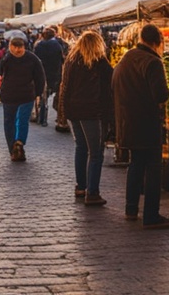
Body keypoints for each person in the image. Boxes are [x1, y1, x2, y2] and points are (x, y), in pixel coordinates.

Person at [113, 23, 169, 229]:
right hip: (147, 123)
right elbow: (160, 94)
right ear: (158, 42)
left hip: (128, 121)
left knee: (136, 165)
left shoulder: (127, 58)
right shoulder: (153, 62)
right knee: (153, 168)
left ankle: (131, 209)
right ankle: (151, 215)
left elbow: (114, 84)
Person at [59, 29, 114, 206]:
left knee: (81, 147)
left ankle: (81, 187)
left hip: (74, 110)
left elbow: (64, 85)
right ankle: (93, 192)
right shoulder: (100, 62)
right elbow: (110, 86)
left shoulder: (71, 60)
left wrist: (63, 111)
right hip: (92, 112)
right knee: (96, 152)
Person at [0, 31, 45, 161]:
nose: (18, 50)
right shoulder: (10, 58)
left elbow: (39, 77)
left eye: (20, 48)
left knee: (15, 121)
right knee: (16, 121)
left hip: (20, 95)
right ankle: (17, 145)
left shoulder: (24, 58)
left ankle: (16, 146)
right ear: (10, 47)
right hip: (15, 95)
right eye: (15, 48)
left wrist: (38, 93)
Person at [34, 27, 67, 129]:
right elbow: (61, 60)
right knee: (49, 95)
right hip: (54, 74)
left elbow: (35, 59)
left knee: (43, 96)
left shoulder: (38, 45)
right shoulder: (57, 45)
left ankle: (42, 118)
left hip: (41, 73)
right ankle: (46, 118)